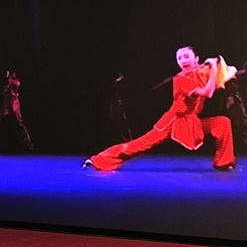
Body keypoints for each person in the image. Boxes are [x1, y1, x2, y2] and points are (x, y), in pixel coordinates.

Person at [84, 46, 236, 171]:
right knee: (139, 145)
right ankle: (100, 159)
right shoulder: (181, 79)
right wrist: (214, 69)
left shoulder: (201, 73)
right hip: (172, 121)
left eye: (186, 56)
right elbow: (208, 93)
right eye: (179, 58)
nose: (183, 61)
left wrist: (218, 66)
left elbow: (227, 74)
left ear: (196, 58)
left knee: (222, 123)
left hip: (190, 121)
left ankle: (223, 162)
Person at [0, 70, 34, 151]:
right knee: (2, 126)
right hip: (6, 104)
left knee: (19, 124)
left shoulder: (14, 81)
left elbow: (14, 86)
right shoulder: (7, 80)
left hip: (13, 103)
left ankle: (28, 144)